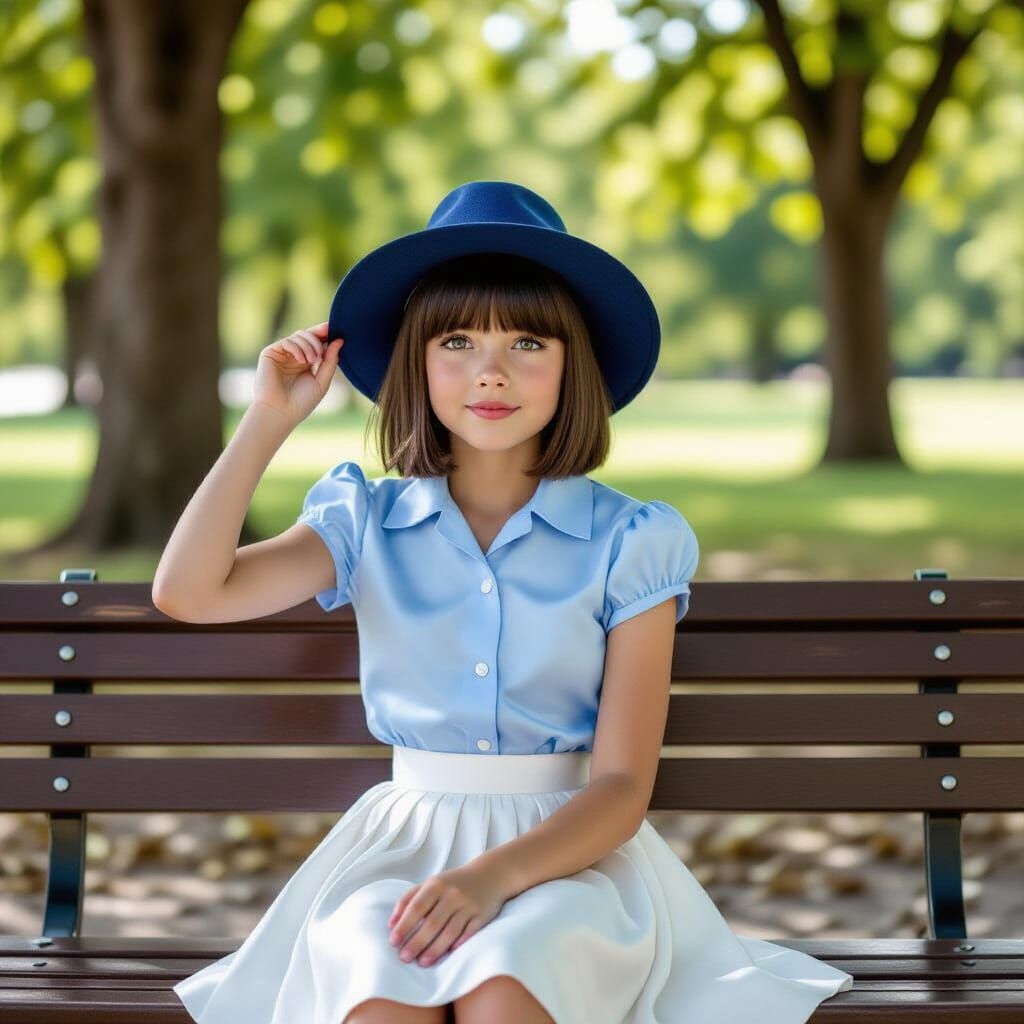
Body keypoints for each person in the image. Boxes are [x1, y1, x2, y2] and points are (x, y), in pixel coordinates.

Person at [155, 181, 854, 1024]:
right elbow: (190, 593)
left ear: (574, 364)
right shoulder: (363, 521)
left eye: (528, 341)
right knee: (379, 985)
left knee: (506, 981)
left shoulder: (629, 540)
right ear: (416, 360)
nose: (491, 370)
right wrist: (268, 420)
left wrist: (492, 879)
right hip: (399, 854)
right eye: (456, 339)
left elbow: (623, 785)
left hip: (576, 859)